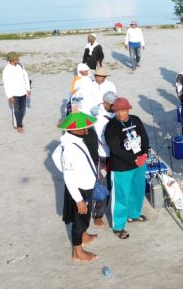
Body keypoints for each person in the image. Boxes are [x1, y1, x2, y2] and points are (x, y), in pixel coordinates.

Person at [104, 97, 150, 239]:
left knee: (137, 190)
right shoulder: (111, 126)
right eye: (118, 111)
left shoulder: (135, 119)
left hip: (139, 163)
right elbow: (115, 148)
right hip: (122, 166)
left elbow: (144, 137)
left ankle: (133, 214)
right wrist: (133, 159)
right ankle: (118, 226)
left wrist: (144, 153)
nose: (121, 114)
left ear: (128, 109)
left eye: (124, 110)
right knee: (121, 195)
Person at [59, 112, 101, 262]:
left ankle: (84, 235)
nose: (86, 130)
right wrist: (78, 200)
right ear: (75, 130)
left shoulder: (76, 139)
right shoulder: (70, 149)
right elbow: (68, 177)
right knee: (79, 220)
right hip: (80, 190)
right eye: (84, 128)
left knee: (85, 217)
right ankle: (77, 252)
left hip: (86, 186)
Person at [90, 91, 117, 227]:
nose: (114, 106)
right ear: (105, 102)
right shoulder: (100, 118)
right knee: (103, 186)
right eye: (112, 104)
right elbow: (103, 140)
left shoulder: (116, 114)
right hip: (103, 158)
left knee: (114, 185)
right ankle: (98, 214)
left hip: (115, 156)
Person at [3, 51, 31, 133]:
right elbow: (6, 84)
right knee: (16, 110)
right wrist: (10, 96)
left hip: (23, 92)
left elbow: (26, 77)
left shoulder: (20, 66)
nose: (18, 59)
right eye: (16, 58)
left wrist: (28, 89)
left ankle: (18, 123)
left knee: (22, 109)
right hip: (14, 94)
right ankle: (19, 126)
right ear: (11, 60)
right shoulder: (6, 70)